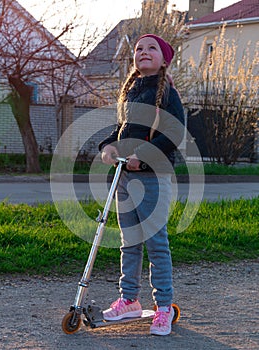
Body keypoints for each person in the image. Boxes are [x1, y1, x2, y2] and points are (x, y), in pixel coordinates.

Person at [99, 33, 185, 336]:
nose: (143, 52)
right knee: (130, 242)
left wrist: (142, 156)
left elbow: (175, 132)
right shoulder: (132, 90)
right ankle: (130, 299)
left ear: (164, 60)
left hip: (152, 178)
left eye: (151, 49)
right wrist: (109, 147)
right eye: (138, 48)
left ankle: (163, 307)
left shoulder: (166, 93)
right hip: (125, 178)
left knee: (156, 243)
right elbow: (121, 129)